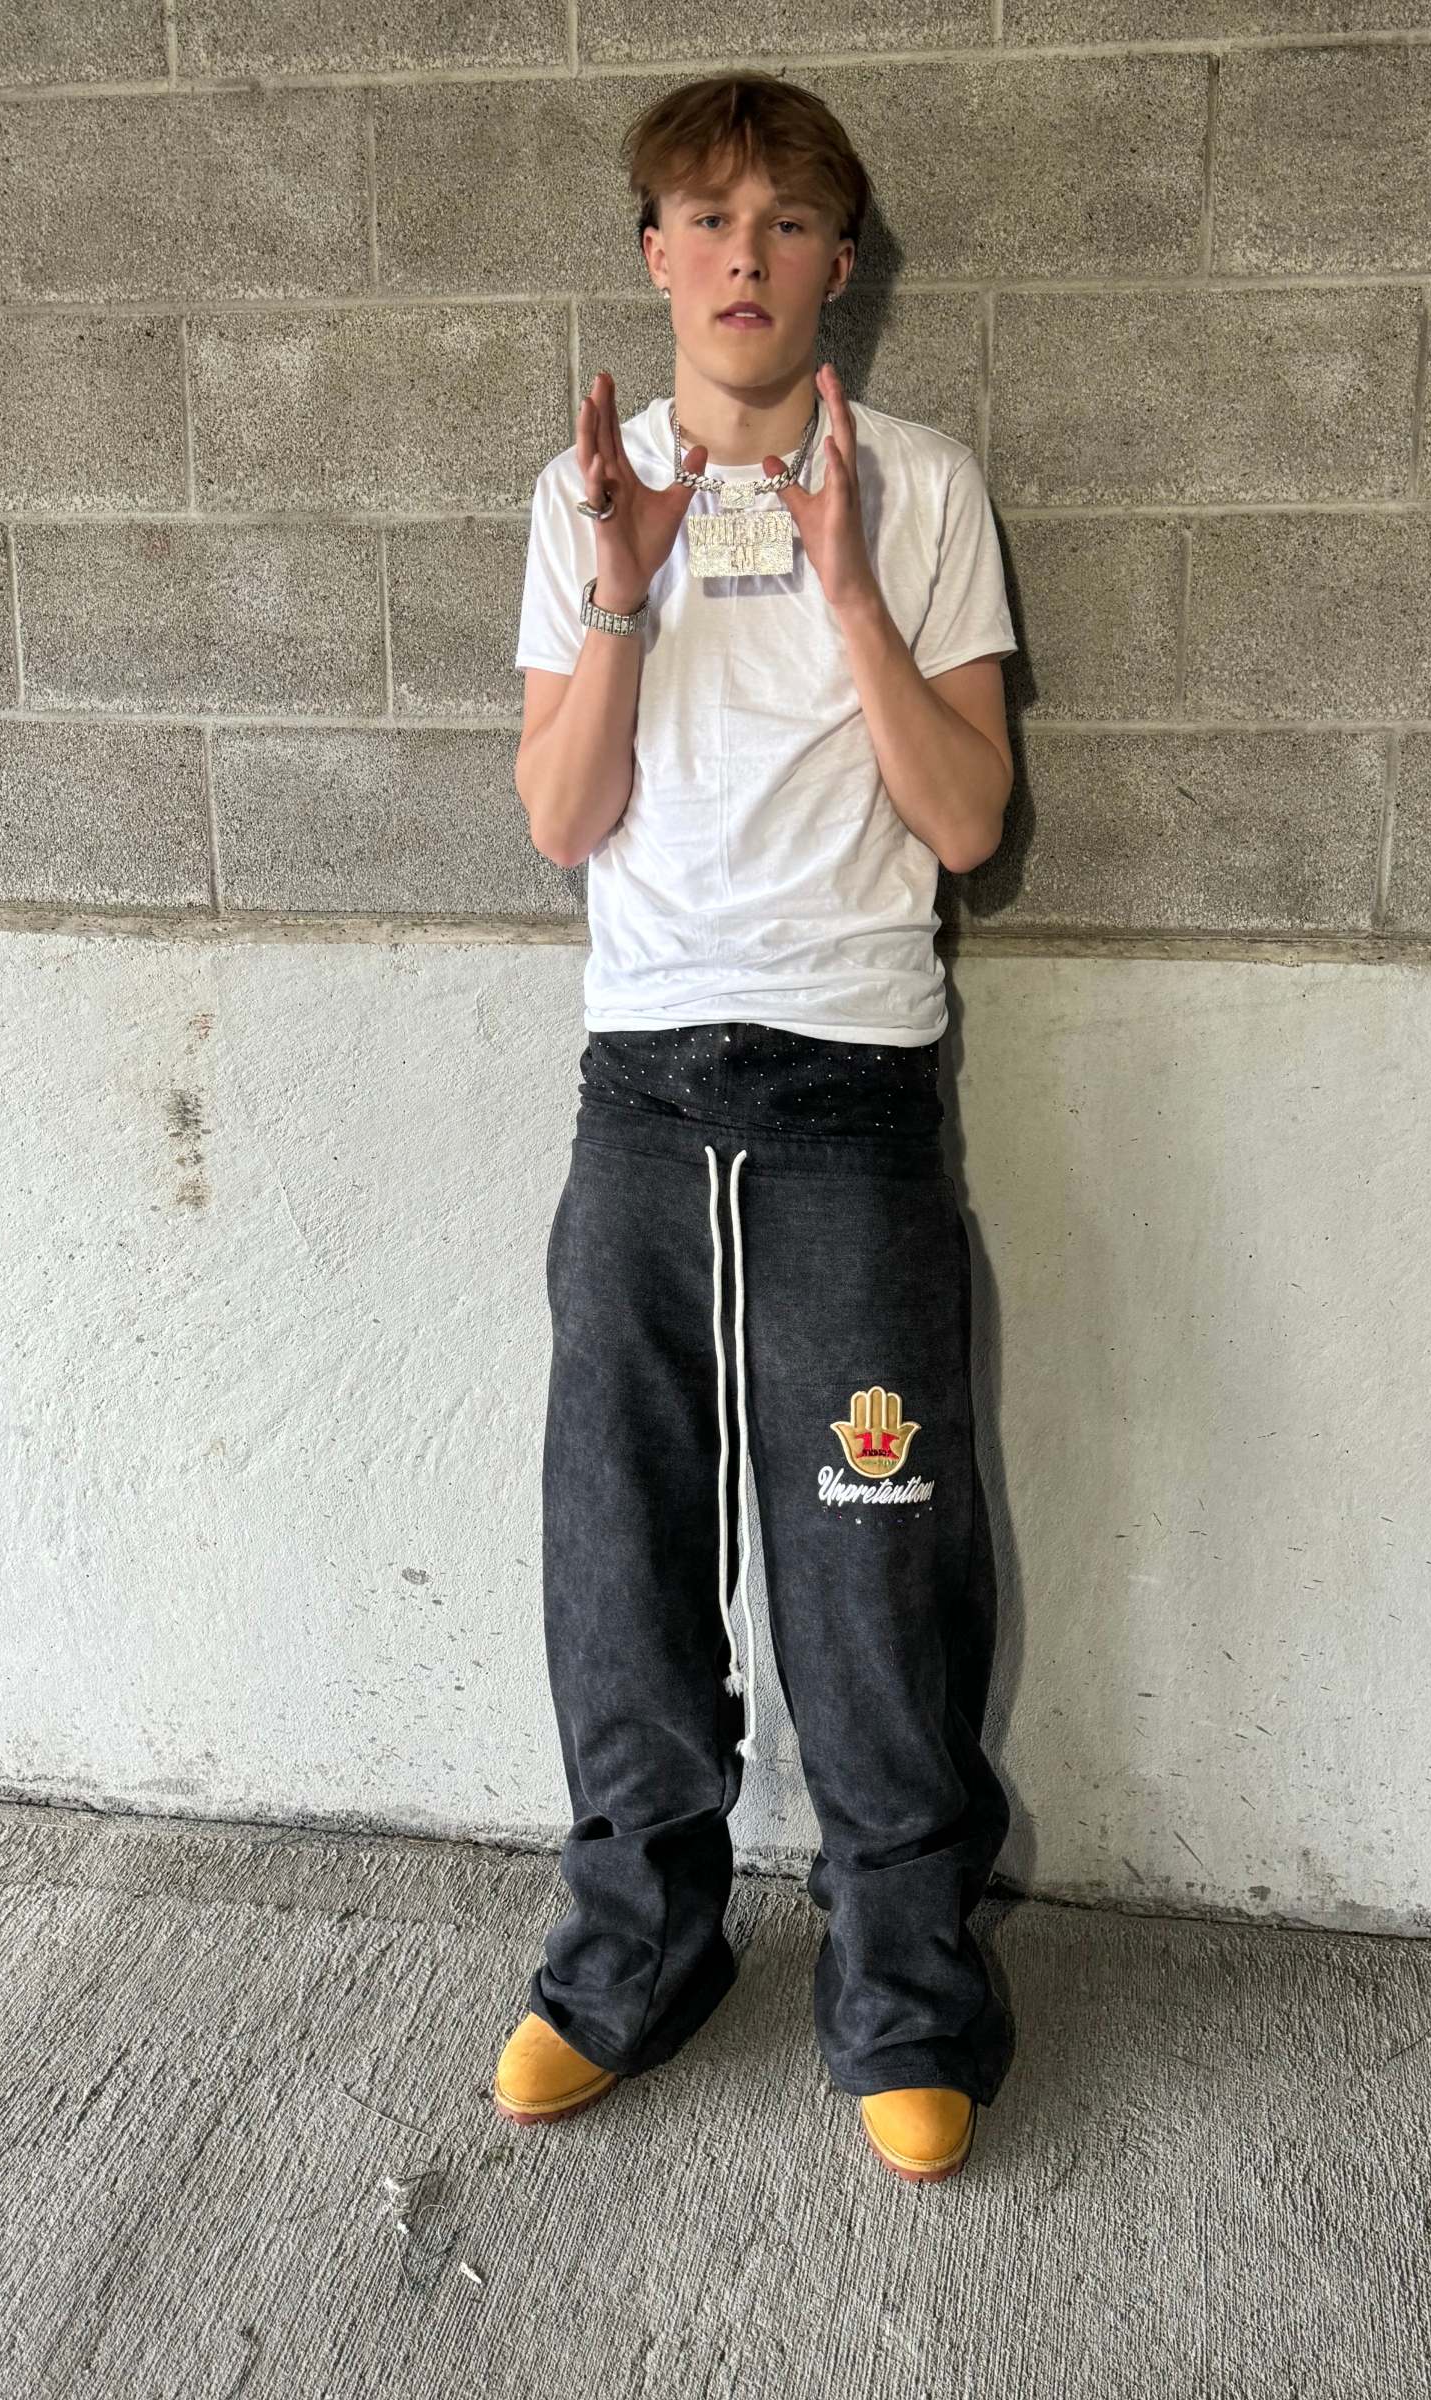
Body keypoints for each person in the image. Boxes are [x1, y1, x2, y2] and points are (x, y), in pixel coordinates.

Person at [493, 69, 1019, 2185]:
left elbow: (965, 821)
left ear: (837, 264)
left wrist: (852, 590)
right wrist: (621, 592)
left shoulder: (926, 481)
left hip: (848, 1089)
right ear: (654, 256)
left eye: (785, 222)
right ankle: (636, 1950)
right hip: (641, 1084)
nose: (743, 256)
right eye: (705, 219)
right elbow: (561, 820)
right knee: (616, 1541)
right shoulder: (583, 493)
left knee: (875, 1554)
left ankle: (906, 1990)